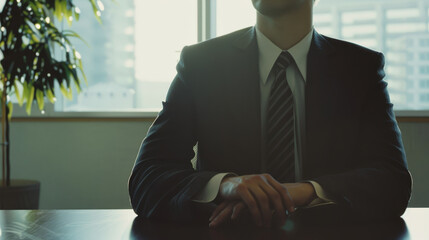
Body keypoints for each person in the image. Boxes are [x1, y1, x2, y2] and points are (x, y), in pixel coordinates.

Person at [128, 0, 412, 228]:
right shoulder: (202, 64)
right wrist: (225, 185)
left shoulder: (360, 68)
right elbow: (148, 178)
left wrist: (301, 192)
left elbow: (392, 181)